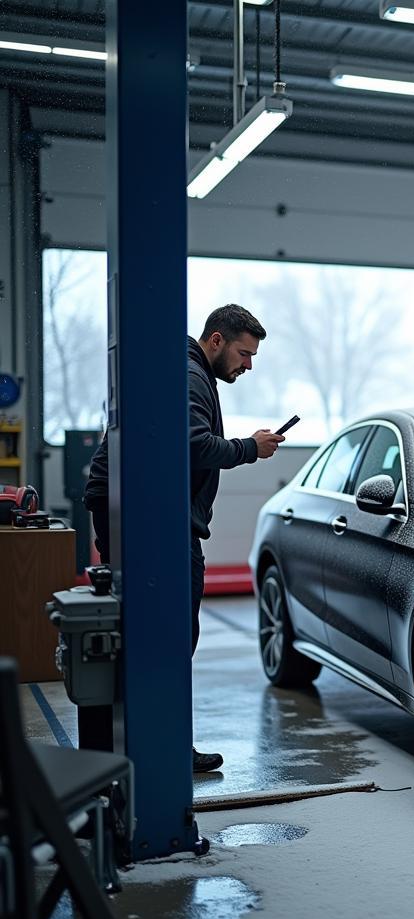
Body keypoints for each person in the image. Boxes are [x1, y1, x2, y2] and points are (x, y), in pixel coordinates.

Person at [84, 304, 284, 772]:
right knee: (170, 634)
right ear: (215, 340)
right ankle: (162, 746)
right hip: (154, 519)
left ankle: (147, 742)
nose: (248, 365)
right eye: (243, 353)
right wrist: (250, 448)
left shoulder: (185, 370)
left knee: (153, 633)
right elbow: (192, 446)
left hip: (137, 510)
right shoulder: (190, 376)